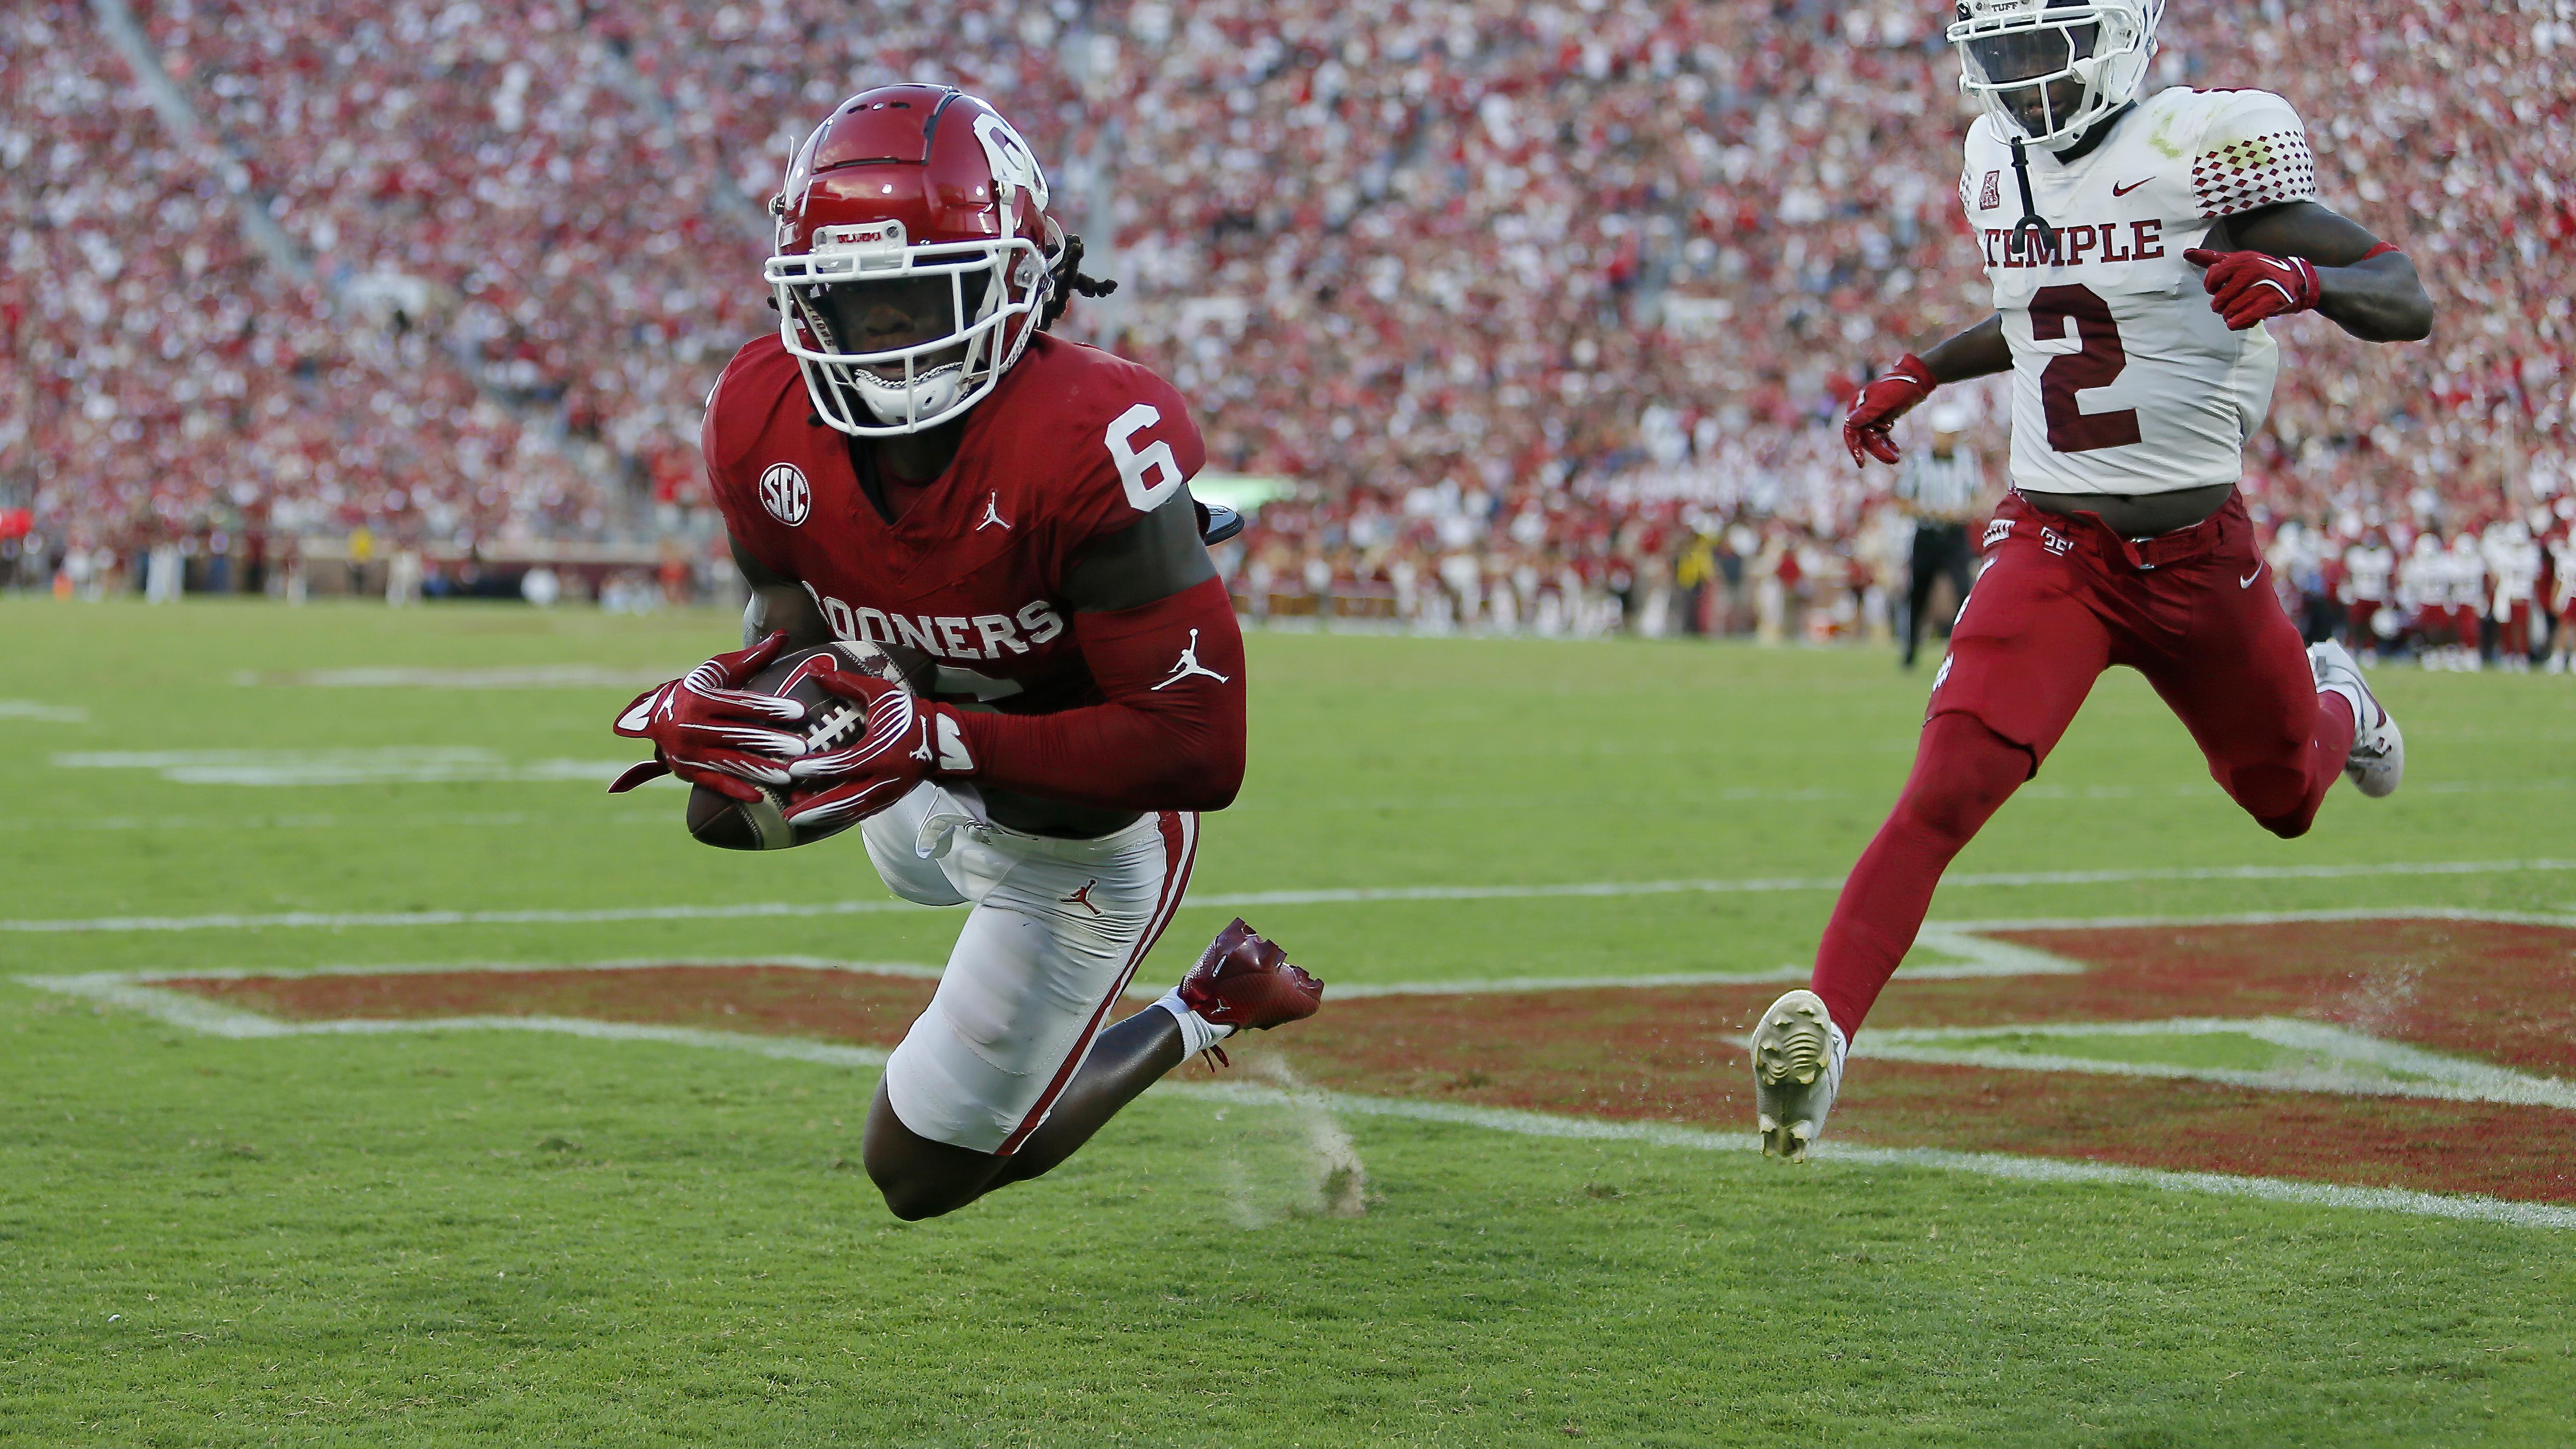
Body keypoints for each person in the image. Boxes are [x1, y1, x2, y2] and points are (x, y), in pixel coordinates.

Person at [605, 86, 1321, 1219]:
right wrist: (719, 698)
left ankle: (1206, 1004)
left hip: (1070, 842)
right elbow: (792, 624)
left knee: (926, 1170)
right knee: (723, 814)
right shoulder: (757, 413)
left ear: (1020, 280)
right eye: (848, 303)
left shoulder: (1092, 437)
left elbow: (1199, 750)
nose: (885, 336)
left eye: (914, 297)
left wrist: (928, 737)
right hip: (911, 757)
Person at [1751, 0, 2431, 1160]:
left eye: (2042, 45)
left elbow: (2403, 294)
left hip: (2198, 552)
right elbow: (2047, 315)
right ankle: (1821, 1037)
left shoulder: (2202, 149)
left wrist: (2301, 284)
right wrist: (1919, 368)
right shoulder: (1994, 160)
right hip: (2055, 541)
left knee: (2285, 799)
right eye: (2001, 50)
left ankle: (2342, 702)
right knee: (1947, 783)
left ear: (2117, 38)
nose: (2018, 75)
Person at [1891, 404, 1985, 667]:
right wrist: (1932, 511)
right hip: (1927, 534)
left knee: (1963, 592)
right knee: (1918, 593)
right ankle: (1910, 650)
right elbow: (1901, 500)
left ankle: (1962, 652)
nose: (1950, 439)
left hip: (1955, 535)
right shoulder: (1918, 460)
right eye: (1946, 433)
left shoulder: (1968, 459)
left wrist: (1962, 512)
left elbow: (1978, 498)